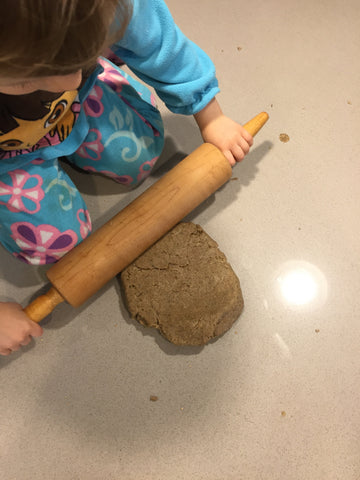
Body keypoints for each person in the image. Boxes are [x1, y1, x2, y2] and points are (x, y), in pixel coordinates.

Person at [0, 0, 253, 356]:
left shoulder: (101, 6)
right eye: (28, 77)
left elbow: (164, 48)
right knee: (56, 243)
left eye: (78, 59)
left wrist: (210, 116)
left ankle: (98, 68)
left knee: (144, 151)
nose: (68, 79)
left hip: (77, 108)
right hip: (9, 161)